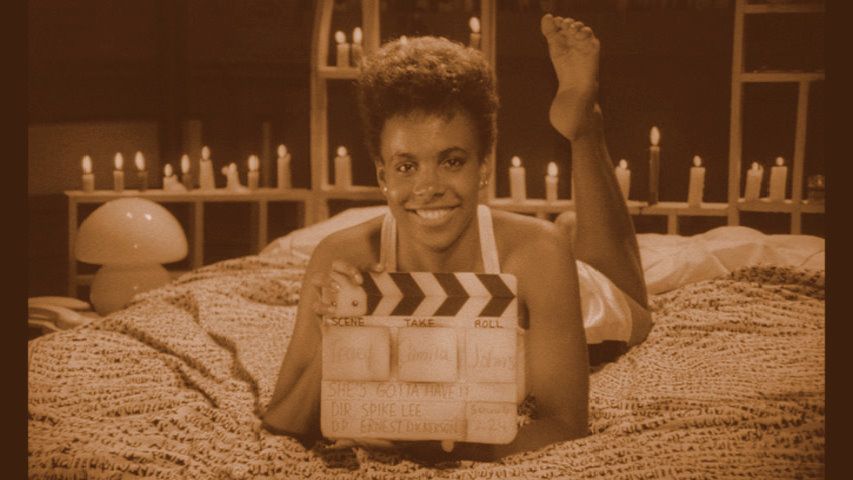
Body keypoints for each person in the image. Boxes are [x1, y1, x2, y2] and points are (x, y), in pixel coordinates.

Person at [262, 14, 651, 461]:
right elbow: (283, 421)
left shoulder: (537, 254)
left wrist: (442, 444)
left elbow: (564, 423)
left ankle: (585, 127)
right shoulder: (342, 255)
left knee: (629, 300)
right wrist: (335, 337)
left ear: (483, 166)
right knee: (567, 233)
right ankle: (571, 219)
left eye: (452, 161)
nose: (428, 187)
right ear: (383, 176)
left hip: (574, 301)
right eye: (407, 166)